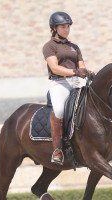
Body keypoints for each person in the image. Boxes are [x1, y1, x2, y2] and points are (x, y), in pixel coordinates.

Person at [42, 11, 92, 165]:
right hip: (60, 83)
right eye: (63, 26)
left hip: (77, 80)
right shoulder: (49, 46)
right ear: (54, 28)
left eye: (68, 26)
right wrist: (74, 72)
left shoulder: (74, 47)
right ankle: (57, 150)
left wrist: (84, 72)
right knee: (59, 111)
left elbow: (81, 65)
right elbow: (55, 68)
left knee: (94, 101)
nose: (66, 29)